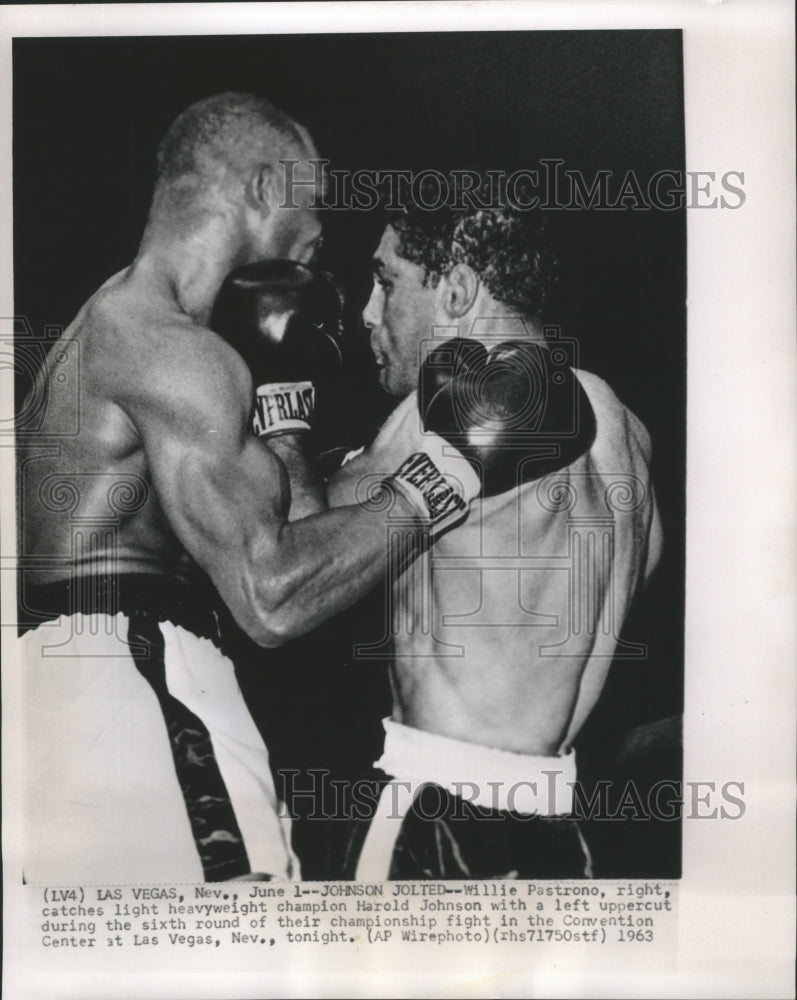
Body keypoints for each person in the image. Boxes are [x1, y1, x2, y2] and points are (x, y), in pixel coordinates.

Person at [15, 94, 480, 885]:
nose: (319, 238)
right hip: (140, 680)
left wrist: (286, 421)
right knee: (241, 952)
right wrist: (456, 470)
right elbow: (273, 597)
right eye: (314, 208)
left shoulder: (111, 323)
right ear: (265, 186)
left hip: (80, 689)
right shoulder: (174, 352)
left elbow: (281, 525)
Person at [324, 182, 664, 879]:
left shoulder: (448, 404)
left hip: (438, 813)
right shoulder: (624, 430)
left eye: (385, 283)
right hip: (557, 827)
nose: (366, 313)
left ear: (455, 289)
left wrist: (281, 410)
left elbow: (306, 537)